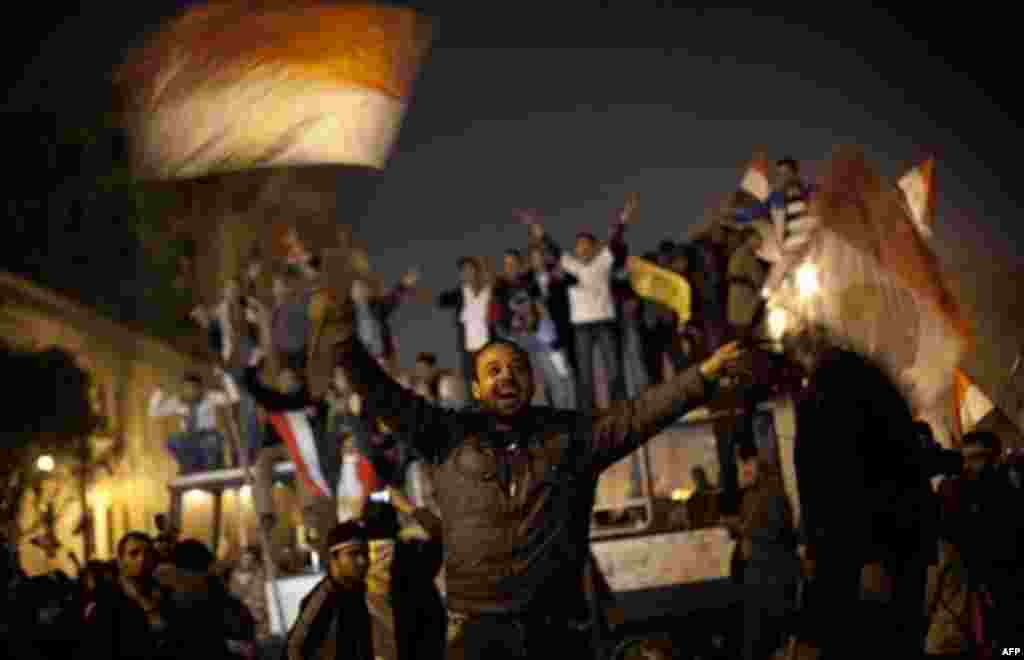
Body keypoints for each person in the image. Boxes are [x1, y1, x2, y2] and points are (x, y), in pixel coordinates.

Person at [328, 282, 743, 658]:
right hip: (477, 632)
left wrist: (702, 377)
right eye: (493, 371)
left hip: (555, 630)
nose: (506, 376)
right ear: (475, 389)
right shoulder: (446, 436)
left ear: (532, 383)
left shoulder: (572, 436)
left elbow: (639, 415)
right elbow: (385, 397)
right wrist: (344, 342)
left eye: (517, 369)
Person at [285, 521, 374, 660]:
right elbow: (293, 649)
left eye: (365, 553)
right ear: (333, 558)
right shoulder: (324, 598)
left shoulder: (358, 592)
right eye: (353, 554)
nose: (363, 561)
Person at [147, 370, 239, 473]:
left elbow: (233, 398)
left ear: (200, 388)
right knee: (173, 440)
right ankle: (188, 468)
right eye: (186, 388)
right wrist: (159, 392)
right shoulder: (177, 401)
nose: (189, 391)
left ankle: (211, 469)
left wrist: (225, 378)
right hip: (188, 438)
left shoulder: (209, 397)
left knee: (211, 442)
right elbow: (154, 413)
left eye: (193, 388)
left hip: (208, 436)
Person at [438, 256, 495, 395]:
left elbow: (497, 286)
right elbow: (440, 301)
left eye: (470, 269)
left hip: (488, 347)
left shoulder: (488, 291)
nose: (467, 274)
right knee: (474, 389)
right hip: (469, 352)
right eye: (463, 271)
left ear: (477, 271)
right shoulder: (459, 294)